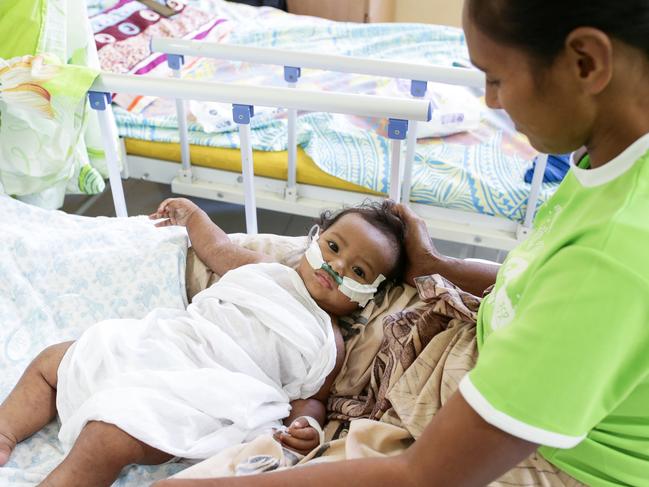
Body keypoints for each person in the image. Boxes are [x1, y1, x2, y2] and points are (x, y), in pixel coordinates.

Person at [152, 0, 649, 486]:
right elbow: (539, 280)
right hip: (476, 355)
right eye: (329, 247)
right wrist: (435, 265)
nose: (490, 101)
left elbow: (421, 475)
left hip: (546, 455)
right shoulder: (608, 159)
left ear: (586, 62)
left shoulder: (614, 256)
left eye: (495, 78)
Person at [0, 198, 406, 487]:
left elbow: (310, 397)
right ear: (314, 239)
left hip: (208, 393)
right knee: (53, 359)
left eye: (357, 270)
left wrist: (309, 425)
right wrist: (192, 216)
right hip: (166, 344)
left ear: (370, 293)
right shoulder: (267, 270)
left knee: (109, 436)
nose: (335, 267)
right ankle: (5, 431)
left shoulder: (328, 341)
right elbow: (217, 249)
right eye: (333, 248)